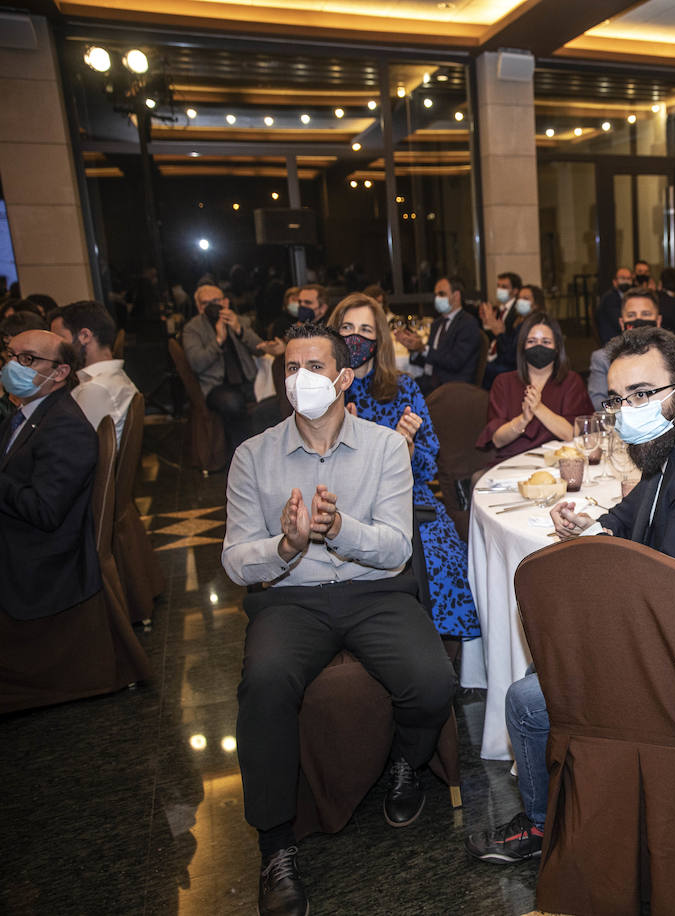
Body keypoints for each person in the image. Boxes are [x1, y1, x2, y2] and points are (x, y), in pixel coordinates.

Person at [466, 326, 675, 865]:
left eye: (642, 393)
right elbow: (636, 512)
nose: (628, 409)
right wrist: (595, 525)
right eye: (617, 398)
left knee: (527, 701)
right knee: (549, 671)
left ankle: (543, 828)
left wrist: (587, 627)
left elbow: (665, 593)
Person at [223, 323, 457, 916]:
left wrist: (338, 530)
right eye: (291, 367)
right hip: (290, 598)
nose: (301, 379)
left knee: (432, 683)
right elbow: (234, 560)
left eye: (315, 367)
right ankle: (276, 845)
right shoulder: (253, 455)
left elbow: (398, 547)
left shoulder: (383, 447)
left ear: (343, 377)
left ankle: (406, 760)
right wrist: (285, 547)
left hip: (373, 592)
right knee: (266, 683)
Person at [329, 294, 478, 640]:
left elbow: (428, 465)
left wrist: (405, 449)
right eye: (347, 328)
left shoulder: (401, 388)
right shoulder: (325, 394)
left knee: (446, 561)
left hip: (409, 498)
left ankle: (450, 661)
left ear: (379, 338)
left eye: (366, 330)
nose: (356, 338)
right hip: (347, 506)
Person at [0, 330, 100, 620]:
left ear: (60, 372)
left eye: (27, 359)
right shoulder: (24, 414)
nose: (12, 366)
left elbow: (45, 511)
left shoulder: (65, 427)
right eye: (10, 356)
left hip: (37, 566)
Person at [478, 311, 594, 461]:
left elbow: (571, 434)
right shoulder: (503, 382)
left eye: (546, 342)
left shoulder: (571, 381)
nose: (538, 346)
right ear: (522, 346)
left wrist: (538, 408)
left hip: (558, 464)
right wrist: (523, 420)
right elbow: (497, 440)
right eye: (532, 341)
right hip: (511, 464)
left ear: (557, 347)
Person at [181, 283, 268, 451]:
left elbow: (260, 349)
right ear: (199, 307)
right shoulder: (192, 329)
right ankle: (243, 456)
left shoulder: (238, 320)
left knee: (273, 400)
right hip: (217, 386)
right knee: (233, 404)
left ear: (226, 302)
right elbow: (196, 363)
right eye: (206, 303)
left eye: (216, 301)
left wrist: (239, 330)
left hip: (248, 380)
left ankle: (266, 451)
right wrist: (219, 341)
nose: (212, 306)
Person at [587, 288, 675, 408]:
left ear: (658, 321)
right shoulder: (603, 358)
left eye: (646, 314)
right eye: (631, 315)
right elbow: (599, 405)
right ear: (622, 323)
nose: (638, 319)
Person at [50, 300, 138, 444]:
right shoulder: (111, 378)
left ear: (85, 336)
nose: (56, 350)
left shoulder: (95, 388)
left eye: (60, 340)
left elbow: (71, 448)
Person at [395, 276, 483, 394]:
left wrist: (423, 348)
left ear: (456, 296)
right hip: (429, 382)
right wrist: (414, 349)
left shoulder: (468, 323)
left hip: (452, 387)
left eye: (441, 294)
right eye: (436, 294)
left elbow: (455, 362)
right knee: (393, 386)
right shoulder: (437, 323)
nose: (437, 298)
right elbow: (431, 359)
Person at [480, 276, 532, 387]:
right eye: (498, 286)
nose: (500, 290)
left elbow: (510, 345)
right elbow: (494, 336)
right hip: (497, 354)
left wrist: (499, 332)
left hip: (509, 360)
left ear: (515, 291)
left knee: (480, 369)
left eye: (504, 287)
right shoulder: (500, 309)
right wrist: (487, 324)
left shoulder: (518, 311)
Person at [595, 266, 635, 344]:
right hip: (614, 340)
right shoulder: (610, 298)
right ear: (615, 281)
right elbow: (619, 322)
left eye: (629, 279)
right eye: (622, 278)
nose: (626, 281)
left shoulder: (627, 296)